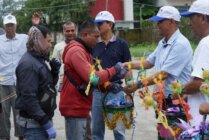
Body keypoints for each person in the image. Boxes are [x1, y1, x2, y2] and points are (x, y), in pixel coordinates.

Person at [123, 6, 193, 140]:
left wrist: (138, 84)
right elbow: (148, 63)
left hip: (176, 102)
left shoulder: (180, 44)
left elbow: (165, 73)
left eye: (160, 21)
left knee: (174, 136)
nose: (157, 24)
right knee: (163, 135)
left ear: (172, 22)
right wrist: (128, 64)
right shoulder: (163, 42)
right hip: (163, 101)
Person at [59, 19, 127, 140]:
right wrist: (114, 70)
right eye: (96, 37)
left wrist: (108, 86)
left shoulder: (84, 50)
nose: (98, 40)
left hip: (80, 106)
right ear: (85, 35)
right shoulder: (77, 51)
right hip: (75, 107)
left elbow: (88, 78)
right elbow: (93, 78)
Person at [15, 25, 60, 140]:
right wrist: (45, 122)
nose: (51, 45)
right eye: (48, 41)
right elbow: (29, 98)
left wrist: (54, 72)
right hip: (34, 125)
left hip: (40, 120)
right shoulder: (28, 64)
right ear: (38, 40)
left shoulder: (38, 59)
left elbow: (47, 87)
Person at [91, 11, 132, 140]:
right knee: (97, 131)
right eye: (96, 24)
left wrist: (130, 92)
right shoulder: (93, 44)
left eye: (100, 24)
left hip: (116, 91)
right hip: (98, 91)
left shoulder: (122, 44)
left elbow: (128, 69)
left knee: (119, 131)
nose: (97, 26)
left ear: (109, 24)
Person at [180, 0, 209, 127]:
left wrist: (180, 90)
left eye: (192, 18)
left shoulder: (206, 44)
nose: (189, 23)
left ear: (203, 18)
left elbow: (199, 83)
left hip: (203, 123)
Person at [0, 14, 28, 140]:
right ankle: (5, 137)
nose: (10, 28)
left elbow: (38, 38)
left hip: (19, 83)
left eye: (12, 25)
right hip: (2, 82)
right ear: (4, 26)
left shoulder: (24, 39)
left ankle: (21, 136)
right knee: (3, 114)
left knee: (19, 112)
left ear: (16, 25)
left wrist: (37, 24)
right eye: (7, 25)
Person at [52, 21, 76, 92]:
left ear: (75, 30)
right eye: (67, 31)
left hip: (79, 80)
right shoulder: (58, 47)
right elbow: (54, 65)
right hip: (63, 80)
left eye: (72, 30)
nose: (70, 33)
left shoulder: (81, 44)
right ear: (63, 32)